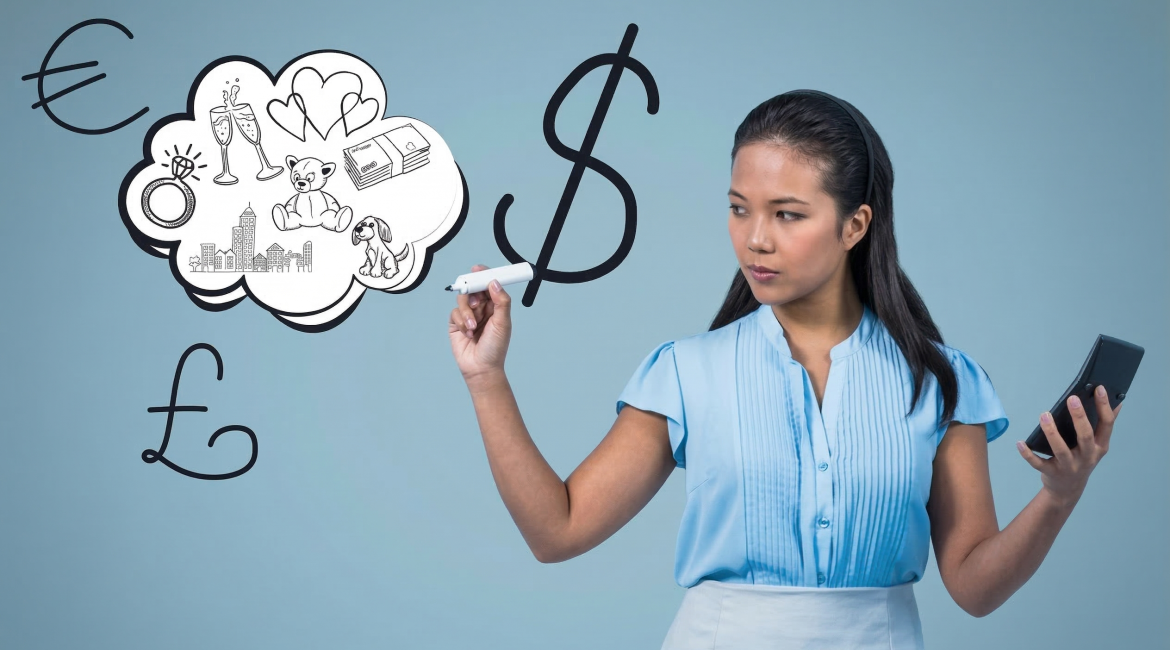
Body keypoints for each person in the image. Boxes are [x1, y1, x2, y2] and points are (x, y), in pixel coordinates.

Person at [447, 91, 1123, 649]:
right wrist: (487, 378)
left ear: (854, 225)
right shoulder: (687, 372)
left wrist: (1059, 497)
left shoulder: (941, 382)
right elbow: (556, 532)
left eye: (787, 214)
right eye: (740, 208)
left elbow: (975, 588)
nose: (756, 238)